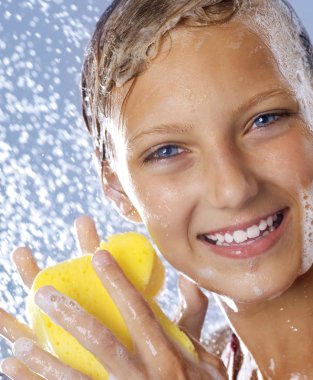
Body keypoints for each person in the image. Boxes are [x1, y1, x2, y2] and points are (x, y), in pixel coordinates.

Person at [1, 0, 313, 378]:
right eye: (167, 151)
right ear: (118, 190)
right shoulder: (206, 362)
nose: (233, 189)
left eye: (265, 120)